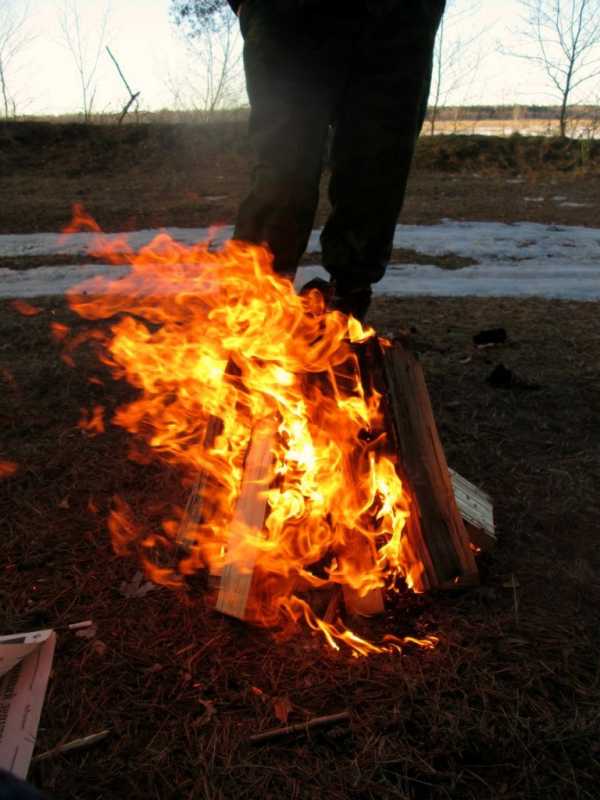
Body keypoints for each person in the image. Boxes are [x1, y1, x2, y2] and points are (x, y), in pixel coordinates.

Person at [229, 0, 446, 321]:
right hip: (286, 12)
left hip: (400, 13)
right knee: (282, 171)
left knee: (377, 169)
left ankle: (346, 313)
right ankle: (254, 315)